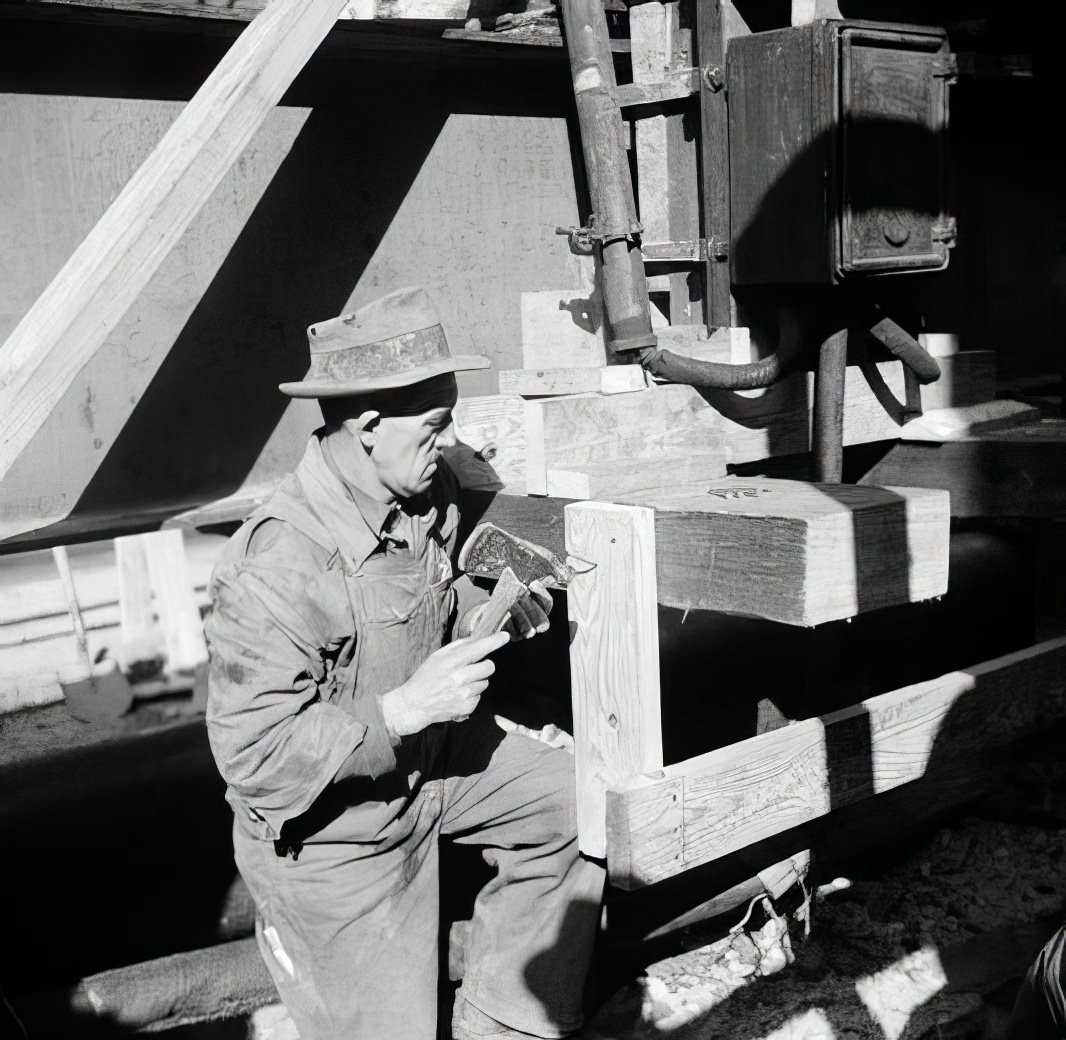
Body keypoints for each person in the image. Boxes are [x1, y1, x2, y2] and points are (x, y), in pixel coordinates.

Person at [204, 287, 605, 1040]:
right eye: (436, 424)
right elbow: (252, 756)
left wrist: (497, 618)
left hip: (432, 768)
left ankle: (505, 1023)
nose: (451, 439)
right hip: (333, 835)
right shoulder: (276, 563)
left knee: (579, 802)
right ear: (366, 427)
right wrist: (402, 710)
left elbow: (430, 610)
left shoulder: (426, 494)